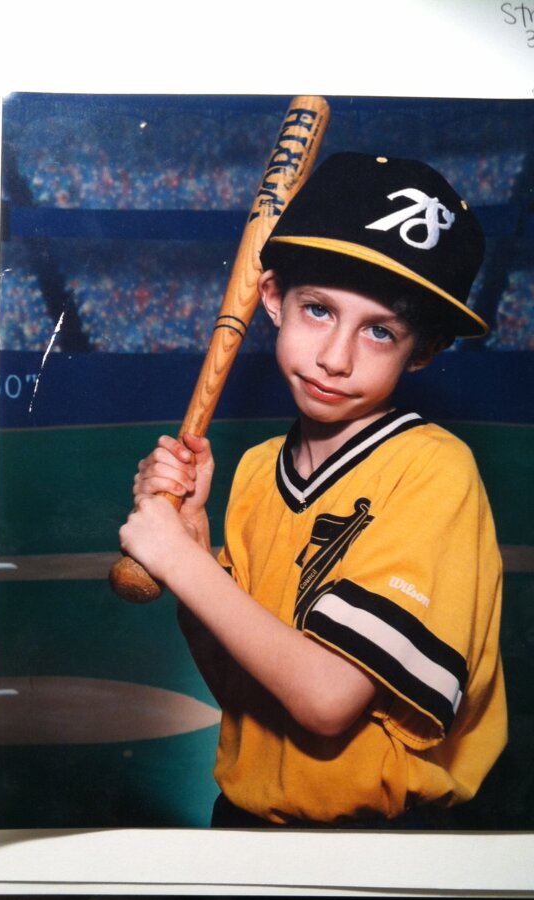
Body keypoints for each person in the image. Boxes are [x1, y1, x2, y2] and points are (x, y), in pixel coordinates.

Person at [120, 152, 507, 828]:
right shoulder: (255, 471)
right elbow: (241, 691)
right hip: (246, 823)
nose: (335, 357)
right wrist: (193, 552)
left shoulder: (433, 471)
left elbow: (327, 701)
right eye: (319, 310)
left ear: (423, 350)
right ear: (271, 298)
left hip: (379, 854)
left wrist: (178, 563)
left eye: (379, 331)